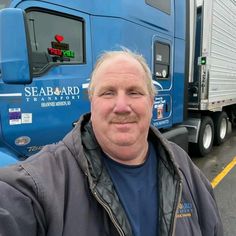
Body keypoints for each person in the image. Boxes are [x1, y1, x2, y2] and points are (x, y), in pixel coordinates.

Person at [0, 49, 223, 236]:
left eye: (134, 92)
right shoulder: (40, 183)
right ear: (92, 102)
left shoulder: (184, 169)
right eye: (108, 93)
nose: (122, 106)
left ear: (151, 102)